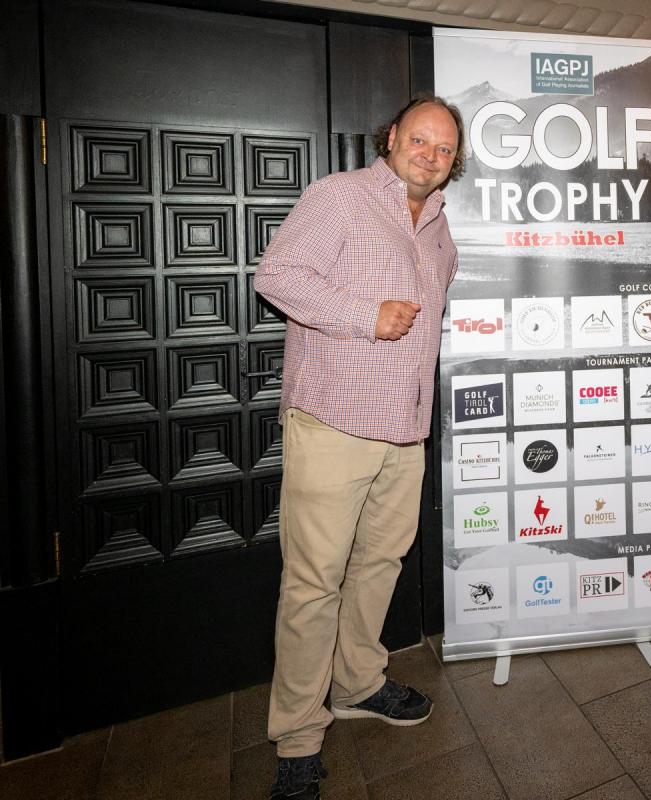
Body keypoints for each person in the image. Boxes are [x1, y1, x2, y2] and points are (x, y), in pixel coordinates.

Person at [254, 94, 466, 800]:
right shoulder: (339, 196)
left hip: (405, 430)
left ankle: (357, 683)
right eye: (421, 140)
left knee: (378, 566)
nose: (431, 156)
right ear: (392, 136)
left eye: (445, 149)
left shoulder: (440, 228)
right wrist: (363, 316)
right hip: (333, 424)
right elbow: (277, 277)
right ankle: (297, 737)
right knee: (313, 583)